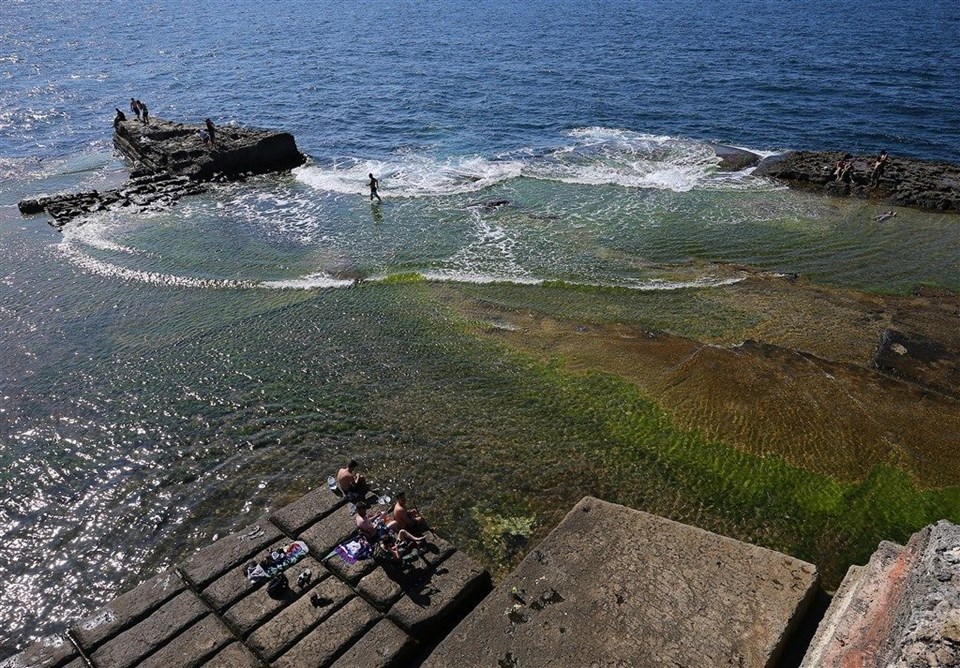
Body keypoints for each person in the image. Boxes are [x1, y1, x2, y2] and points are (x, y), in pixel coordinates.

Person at [354, 503, 424, 547]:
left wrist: (376, 516)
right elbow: (372, 532)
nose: (365, 511)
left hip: (373, 527)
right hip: (376, 534)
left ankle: (389, 513)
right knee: (395, 523)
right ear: (359, 510)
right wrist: (378, 523)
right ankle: (403, 534)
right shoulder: (362, 522)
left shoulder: (359, 516)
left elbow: (368, 520)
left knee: (383, 513)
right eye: (364, 510)